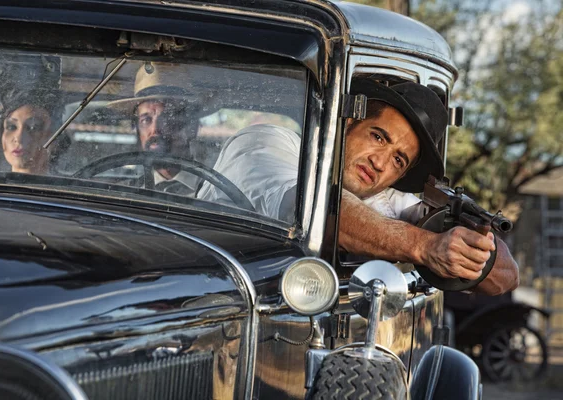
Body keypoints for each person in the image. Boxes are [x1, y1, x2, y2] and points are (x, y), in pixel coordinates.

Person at [198, 79, 519, 296]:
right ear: (348, 123)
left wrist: (472, 248)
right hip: (207, 292)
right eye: (378, 137)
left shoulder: (382, 199)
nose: (380, 163)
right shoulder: (268, 142)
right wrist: (424, 246)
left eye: (398, 160)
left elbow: (506, 276)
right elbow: (313, 209)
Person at [108, 62, 200, 195]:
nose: (155, 130)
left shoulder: (214, 194)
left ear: (192, 128)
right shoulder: (126, 194)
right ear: (138, 131)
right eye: (146, 120)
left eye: (167, 119)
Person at [0, 89, 56, 174]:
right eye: (11, 127)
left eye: (34, 128)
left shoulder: (70, 186)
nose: (19, 138)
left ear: (53, 139)